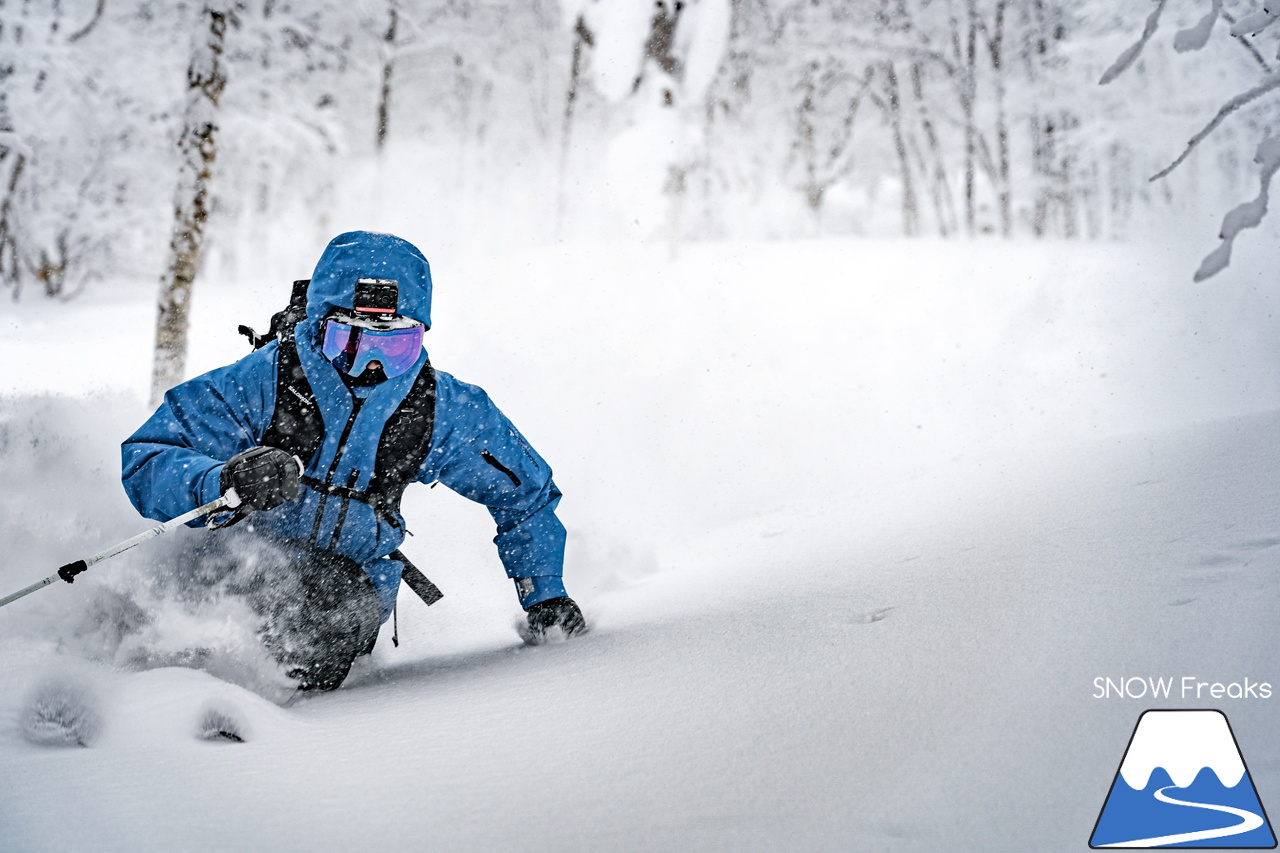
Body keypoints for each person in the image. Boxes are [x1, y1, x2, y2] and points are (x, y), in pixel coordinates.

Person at [121, 231, 585, 692]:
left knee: (322, 608)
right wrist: (222, 479)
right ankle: (153, 693)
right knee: (162, 613)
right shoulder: (266, 379)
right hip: (237, 560)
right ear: (320, 324)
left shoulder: (437, 408)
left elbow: (526, 491)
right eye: (352, 344)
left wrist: (544, 594)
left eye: (395, 347)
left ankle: (248, 706)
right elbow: (149, 455)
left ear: (421, 337)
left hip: (347, 589)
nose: (372, 367)